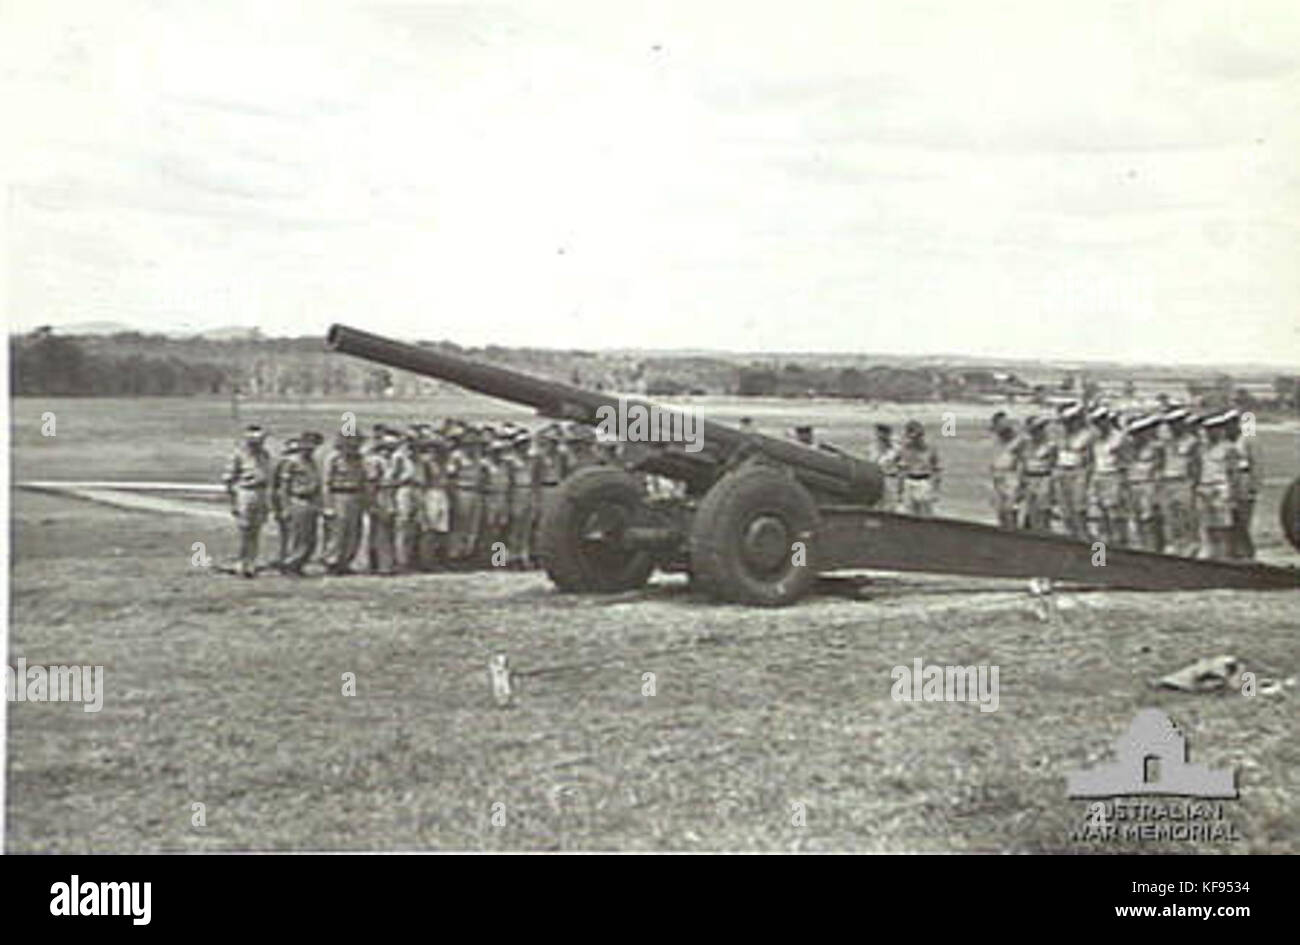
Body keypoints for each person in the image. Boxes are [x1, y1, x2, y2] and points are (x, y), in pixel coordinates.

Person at [221, 423, 272, 577]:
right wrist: (234, 502)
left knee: (256, 530)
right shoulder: (238, 455)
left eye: (261, 440)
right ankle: (241, 563)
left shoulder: (264, 454)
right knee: (245, 530)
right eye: (255, 441)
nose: (258, 443)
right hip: (245, 492)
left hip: (261, 492)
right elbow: (229, 481)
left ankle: (252, 562)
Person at [1195, 413, 1241, 560]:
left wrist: (1233, 494)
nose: (1209, 432)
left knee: (1223, 525)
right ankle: (1211, 552)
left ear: (1220, 430)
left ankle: (1225, 554)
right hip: (1205, 487)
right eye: (1207, 429)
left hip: (1221, 488)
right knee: (1207, 524)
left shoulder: (1229, 448)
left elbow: (1233, 473)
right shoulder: (1203, 448)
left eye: (1213, 429)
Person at [321, 432, 367, 575]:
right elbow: (326, 483)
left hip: (356, 496)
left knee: (353, 531)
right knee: (337, 531)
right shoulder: (333, 458)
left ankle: (346, 561)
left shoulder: (359, 459)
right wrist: (328, 505)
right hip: (338, 495)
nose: (353, 446)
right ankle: (332, 561)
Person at [1159, 408, 1200, 556]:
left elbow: (1196, 464)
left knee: (1187, 515)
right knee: (1170, 515)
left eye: (1175, 423)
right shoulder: (1166, 441)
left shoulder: (1192, 441)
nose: (1172, 427)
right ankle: (1175, 543)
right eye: (1170, 424)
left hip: (1183, 480)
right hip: (1168, 480)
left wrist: (1194, 483)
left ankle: (1191, 543)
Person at [1086, 406, 1129, 546]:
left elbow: (1124, 461)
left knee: (1115, 515)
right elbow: (1092, 460)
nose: (1098, 425)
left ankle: (1120, 546)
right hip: (1098, 476)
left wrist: (1121, 482)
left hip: (1113, 476)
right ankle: (1099, 556)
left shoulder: (1119, 437)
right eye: (1095, 422)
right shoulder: (1095, 438)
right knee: (1099, 517)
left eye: (1100, 421)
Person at [279, 438, 322, 575]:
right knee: (297, 535)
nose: (310, 448)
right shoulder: (292, 462)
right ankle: (290, 564)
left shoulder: (312, 462)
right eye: (307, 445)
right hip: (297, 499)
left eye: (313, 445)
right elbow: (284, 487)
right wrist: (285, 507)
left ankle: (299, 564)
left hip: (311, 501)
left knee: (309, 537)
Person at [390, 431, 430, 573]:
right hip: (405, 489)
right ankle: (401, 560)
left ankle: (411, 558)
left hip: (418, 490)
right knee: (403, 524)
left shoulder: (419, 458)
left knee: (416, 525)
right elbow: (391, 477)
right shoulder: (399, 457)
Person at [1053, 402, 1093, 539]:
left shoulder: (1087, 435)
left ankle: (1087, 542)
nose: (1068, 424)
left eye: (1071, 421)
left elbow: (1091, 459)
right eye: (1065, 422)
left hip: (1078, 472)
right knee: (1066, 511)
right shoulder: (1062, 435)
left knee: (1079, 510)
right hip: (1062, 472)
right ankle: (1073, 538)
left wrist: (1087, 477)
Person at [1124, 415, 1164, 551]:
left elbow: (1159, 469)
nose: (1136, 437)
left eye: (1139, 432)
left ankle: (1153, 548)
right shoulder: (1130, 448)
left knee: (1150, 520)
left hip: (1149, 485)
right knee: (1136, 519)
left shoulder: (1156, 447)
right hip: (1133, 485)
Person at [1223, 410, 1257, 559]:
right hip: (1229, 483)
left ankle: (1247, 552)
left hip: (1244, 482)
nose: (1229, 428)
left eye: (1232, 424)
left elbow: (1256, 463)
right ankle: (1234, 551)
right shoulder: (1226, 442)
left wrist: (1254, 486)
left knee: (1243, 520)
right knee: (1230, 519)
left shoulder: (1248, 440)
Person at [364, 431, 397, 575]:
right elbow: (371, 483)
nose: (388, 451)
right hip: (380, 495)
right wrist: (372, 502)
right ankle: (382, 565)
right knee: (381, 530)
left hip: (388, 493)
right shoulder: (375, 461)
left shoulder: (390, 460)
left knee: (385, 530)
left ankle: (382, 563)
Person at [895, 419, 941, 516]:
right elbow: (900, 471)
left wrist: (935, 491)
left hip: (924, 482)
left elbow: (937, 470)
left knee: (926, 515)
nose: (915, 440)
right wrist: (899, 492)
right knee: (907, 515)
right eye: (912, 437)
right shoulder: (904, 448)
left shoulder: (929, 448)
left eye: (918, 436)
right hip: (909, 481)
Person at [419, 436, 452, 570]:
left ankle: (436, 559)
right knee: (429, 528)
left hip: (441, 493)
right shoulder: (425, 463)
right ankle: (426, 561)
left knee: (441, 528)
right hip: (430, 494)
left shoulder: (442, 463)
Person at [1019, 416, 1056, 532]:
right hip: (1030, 478)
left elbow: (1054, 464)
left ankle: (1045, 532)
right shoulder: (1025, 444)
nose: (1040, 431)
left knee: (1044, 510)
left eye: (1041, 428)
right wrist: (1022, 481)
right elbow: (1023, 463)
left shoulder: (1050, 445)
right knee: (1030, 510)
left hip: (1044, 477)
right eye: (1036, 429)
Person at [506, 432, 535, 567]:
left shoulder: (531, 459)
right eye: (523, 444)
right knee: (514, 528)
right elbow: (509, 480)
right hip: (516, 491)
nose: (526, 446)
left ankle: (523, 556)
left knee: (526, 528)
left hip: (528, 491)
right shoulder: (511, 460)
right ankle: (510, 557)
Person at [990, 415, 1024, 529]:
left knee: (1010, 510)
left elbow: (1022, 462)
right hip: (998, 478)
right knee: (1000, 510)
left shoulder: (1019, 442)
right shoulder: (997, 441)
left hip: (1011, 477)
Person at [870, 423, 900, 511]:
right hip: (877, 479)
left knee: (891, 506)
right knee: (878, 505)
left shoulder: (896, 450)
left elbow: (901, 467)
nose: (878, 436)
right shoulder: (873, 448)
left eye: (881, 434)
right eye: (877, 434)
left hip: (891, 479)